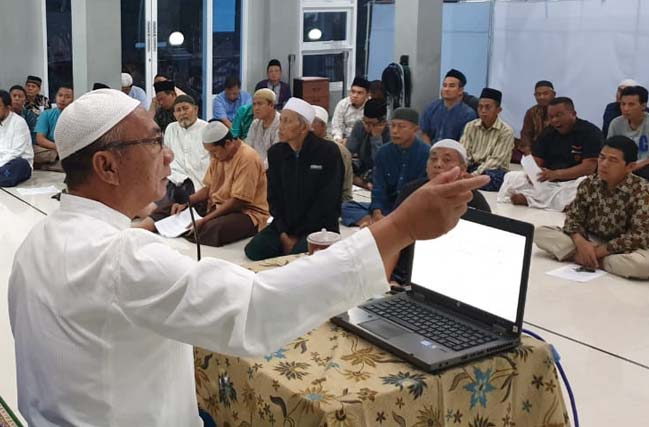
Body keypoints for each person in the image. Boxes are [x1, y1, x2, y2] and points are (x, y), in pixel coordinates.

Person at [9, 88, 490, 425]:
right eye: (155, 143)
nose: (170, 156)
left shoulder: (41, 237)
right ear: (106, 165)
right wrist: (400, 228)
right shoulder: (119, 258)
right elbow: (257, 309)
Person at [534, 136, 649, 280]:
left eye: (612, 160)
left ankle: (588, 259)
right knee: (540, 233)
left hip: (626, 249)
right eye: (602, 158)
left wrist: (600, 252)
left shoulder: (643, 191)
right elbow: (572, 218)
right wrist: (581, 243)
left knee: (644, 266)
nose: (604, 164)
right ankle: (589, 257)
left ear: (630, 167)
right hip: (591, 239)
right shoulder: (589, 183)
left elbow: (640, 235)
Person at [141, 120, 269, 247]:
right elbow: (209, 188)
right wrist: (187, 201)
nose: (212, 157)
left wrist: (205, 219)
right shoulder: (219, 156)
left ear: (228, 143)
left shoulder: (248, 158)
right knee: (173, 206)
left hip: (246, 213)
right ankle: (141, 229)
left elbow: (238, 201)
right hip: (215, 205)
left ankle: (174, 232)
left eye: (214, 152)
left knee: (213, 228)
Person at [244, 98, 344, 260]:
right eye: (281, 120)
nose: (280, 127)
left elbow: (328, 200)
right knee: (254, 250)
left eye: (286, 122)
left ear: (303, 127)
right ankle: (287, 246)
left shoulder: (327, 151)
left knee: (302, 255)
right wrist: (284, 233)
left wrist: (298, 235)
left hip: (319, 225)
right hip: (286, 224)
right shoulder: (276, 153)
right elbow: (273, 196)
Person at [390, 138, 491, 283]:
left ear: (463, 169)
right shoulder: (411, 191)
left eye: (447, 160)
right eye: (433, 159)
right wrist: (388, 282)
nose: (438, 164)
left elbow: (484, 249)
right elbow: (394, 239)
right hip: (406, 273)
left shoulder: (474, 199)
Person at [498, 97, 602, 211]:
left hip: (572, 182)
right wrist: (532, 173)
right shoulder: (548, 132)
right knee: (512, 177)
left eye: (559, 115)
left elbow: (589, 168)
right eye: (551, 117)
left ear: (573, 114)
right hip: (548, 181)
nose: (554, 120)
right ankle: (538, 200)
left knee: (583, 186)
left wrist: (557, 174)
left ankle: (532, 199)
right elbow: (537, 159)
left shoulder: (590, 132)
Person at [341, 108, 430, 227]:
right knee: (345, 206)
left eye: (401, 126)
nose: (395, 131)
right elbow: (378, 187)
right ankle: (374, 222)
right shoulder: (384, 152)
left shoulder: (427, 154)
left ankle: (381, 225)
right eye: (392, 126)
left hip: (411, 210)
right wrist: (377, 212)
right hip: (387, 208)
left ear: (416, 130)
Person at [607, 86, 649, 186]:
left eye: (631, 104)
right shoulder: (615, 123)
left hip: (645, 167)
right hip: (622, 166)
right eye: (623, 104)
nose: (626, 109)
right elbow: (608, 151)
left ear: (643, 106)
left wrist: (636, 165)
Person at [460, 88, 514, 192]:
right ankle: (469, 182)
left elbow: (496, 161)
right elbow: (464, 152)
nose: (483, 111)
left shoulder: (506, 131)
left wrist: (473, 176)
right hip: (472, 166)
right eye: (480, 107)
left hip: (493, 170)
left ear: (498, 110)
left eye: (488, 107)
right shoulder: (470, 126)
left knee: (495, 179)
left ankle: (468, 183)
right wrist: (463, 170)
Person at [420, 69, 477, 145]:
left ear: (460, 90)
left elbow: (464, 141)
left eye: (451, 86)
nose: (446, 89)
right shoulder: (431, 108)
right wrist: (431, 151)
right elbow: (424, 134)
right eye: (444, 85)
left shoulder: (468, 114)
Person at [346, 98, 391, 190]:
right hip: (362, 171)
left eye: (372, 124)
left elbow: (381, 163)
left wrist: (376, 138)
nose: (367, 127)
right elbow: (347, 153)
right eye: (366, 122)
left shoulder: (390, 133)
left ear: (383, 122)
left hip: (382, 173)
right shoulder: (360, 125)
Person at [311, 105, 353, 202]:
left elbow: (343, 190)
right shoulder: (301, 146)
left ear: (323, 125)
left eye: (312, 122)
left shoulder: (338, 150)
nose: (308, 127)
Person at [35, 84, 73, 171]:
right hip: (51, 149)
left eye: (67, 97)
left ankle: (49, 166)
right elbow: (40, 139)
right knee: (32, 151)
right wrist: (58, 148)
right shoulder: (46, 114)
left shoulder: (76, 116)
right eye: (60, 95)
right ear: (56, 97)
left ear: (73, 99)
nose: (62, 99)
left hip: (69, 149)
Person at [0, 90, 33, 187]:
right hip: (2, 164)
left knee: (19, 164)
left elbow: (16, 152)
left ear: (8, 108)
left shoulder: (19, 122)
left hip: (16, 162)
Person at [519, 80, 556, 156]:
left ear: (554, 94)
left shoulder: (560, 110)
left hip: (557, 150)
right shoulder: (531, 112)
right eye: (538, 94)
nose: (541, 97)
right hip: (535, 151)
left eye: (545, 94)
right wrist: (528, 150)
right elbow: (526, 133)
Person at [244, 88, 279, 167]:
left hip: (272, 170)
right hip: (254, 167)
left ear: (271, 105)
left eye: (260, 104)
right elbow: (248, 149)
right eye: (254, 104)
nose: (256, 108)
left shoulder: (280, 125)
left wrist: (259, 171)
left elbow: (275, 156)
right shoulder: (255, 123)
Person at [331, 77, 370, 144]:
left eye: (359, 93)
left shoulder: (371, 105)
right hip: (344, 139)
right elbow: (337, 127)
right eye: (353, 91)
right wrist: (339, 139)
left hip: (364, 141)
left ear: (367, 95)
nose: (355, 95)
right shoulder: (342, 104)